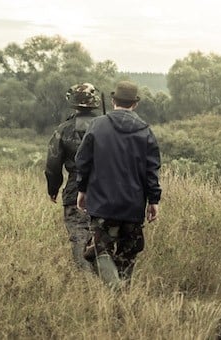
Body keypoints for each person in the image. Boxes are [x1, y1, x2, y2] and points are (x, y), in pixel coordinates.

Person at [75, 80, 161, 288]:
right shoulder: (145, 131)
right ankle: (122, 301)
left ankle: (115, 290)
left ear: (113, 101)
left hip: (103, 204)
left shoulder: (97, 125)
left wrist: (82, 189)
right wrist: (153, 200)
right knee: (127, 254)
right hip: (133, 205)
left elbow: (83, 161)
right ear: (135, 104)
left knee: (95, 250)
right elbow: (152, 170)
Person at [45, 83, 102, 272]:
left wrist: (53, 189)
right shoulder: (106, 126)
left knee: (79, 234)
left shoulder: (64, 129)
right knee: (102, 235)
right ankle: (107, 280)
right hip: (106, 190)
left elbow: (53, 165)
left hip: (74, 189)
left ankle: (88, 281)